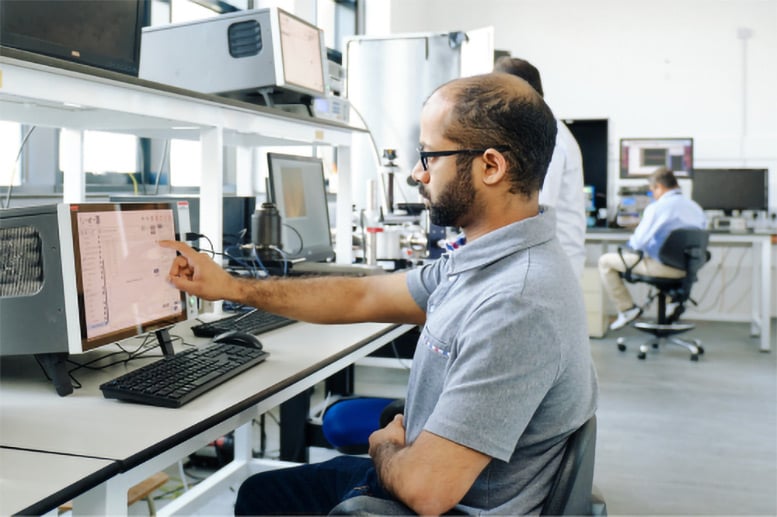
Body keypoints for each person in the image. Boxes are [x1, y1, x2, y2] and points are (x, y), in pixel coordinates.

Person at [161, 73, 598, 515]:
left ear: (491, 166)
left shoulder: (516, 302)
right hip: (433, 466)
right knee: (262, 493)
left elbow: (426, 490)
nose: (417, 173)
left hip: (438, 500)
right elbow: (363, 297)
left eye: (429, 156)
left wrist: (384, 446)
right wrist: (232, 287)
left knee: (268, 499)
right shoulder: (492, 259)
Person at [494, 56, 586, 279]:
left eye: (499, 95)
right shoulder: (540, 132)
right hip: (545, 259)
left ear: (520, 94)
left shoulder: (550, 137)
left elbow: (537, 206)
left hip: (556, 263)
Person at [599, 167, 706, 330]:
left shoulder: (657, 208)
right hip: (688, 269)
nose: (653, 195)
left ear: (659, 187)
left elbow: (638, 243)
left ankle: (627, 309)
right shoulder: (696, 207)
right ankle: (672, 301)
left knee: (605, 261)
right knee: (659, 254)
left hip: (663, 268)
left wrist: (629, 243)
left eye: (652, 191)